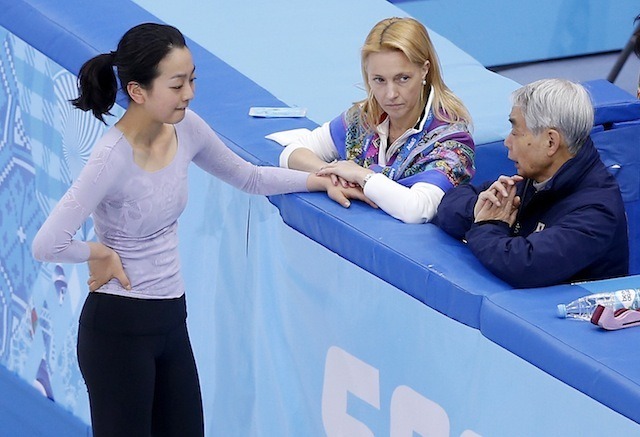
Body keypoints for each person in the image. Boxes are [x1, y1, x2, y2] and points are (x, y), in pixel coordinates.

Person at [30, 23, 359, 436]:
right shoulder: (110, 158)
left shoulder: (185, 128)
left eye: (192, 80)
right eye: (177, 84)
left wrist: (317, 180)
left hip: (171, 320)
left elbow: (250, 177)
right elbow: (47, 243)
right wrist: (100, 253)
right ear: (138, 91)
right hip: (118, 330)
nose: (189, 93)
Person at [434, 78, 629, 288]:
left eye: (516, 132)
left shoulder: (597, 211)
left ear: (550, 142)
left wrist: (487, 225)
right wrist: (480, 208)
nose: (507, 142)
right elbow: (450, 204)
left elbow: (526, 265)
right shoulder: (537, 177)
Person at [279, 17, 475, 224]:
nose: (390, 94)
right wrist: (331, 179)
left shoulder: (452, 140)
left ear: (424, 70)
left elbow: (417, 210)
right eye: (379, 80)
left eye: (403, 78)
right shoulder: (363, 117)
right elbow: (291, 154)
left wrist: (361, 176)